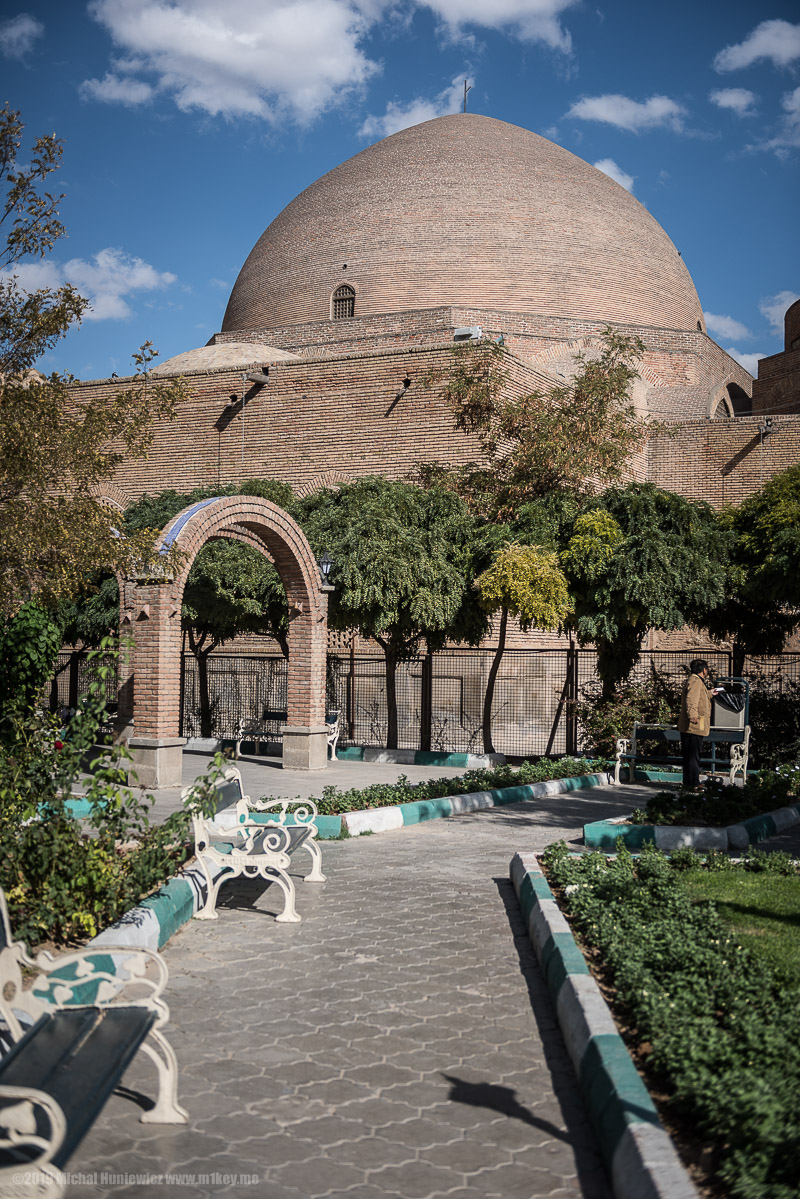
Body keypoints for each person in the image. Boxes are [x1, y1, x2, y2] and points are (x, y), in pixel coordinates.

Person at [677, 659, 716, 789]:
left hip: (697, 722)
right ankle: (693, 782)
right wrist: (692, 715)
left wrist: (710, 693)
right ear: (704, 670)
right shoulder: (695, 681)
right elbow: (691, 699)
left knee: (691, 754)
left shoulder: (697, 681)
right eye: (707, 669)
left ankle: (689, 782)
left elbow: (699, 697)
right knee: (693, 755)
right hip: (694, 723)